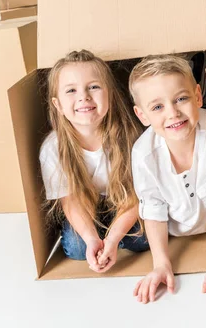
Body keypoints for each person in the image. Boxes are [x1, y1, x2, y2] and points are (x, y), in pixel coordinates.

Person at [128, 55, 206, 304]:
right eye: (157, 107)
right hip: (175, 228)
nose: (173, 113)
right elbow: (153, 207)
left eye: (181, 99)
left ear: (198, 96)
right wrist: (161, 263)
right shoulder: (143, 153)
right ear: (142, 115)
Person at [39, 49, 149, 273]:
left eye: (94, 87)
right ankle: (99, 239)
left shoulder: (129, 136)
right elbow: (70, 201)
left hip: (126, 202)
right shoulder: (53, 148)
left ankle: (112, 240)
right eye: (71, 90)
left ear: (109, 94)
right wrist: (91, 239)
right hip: (86, 207)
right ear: (57, 104)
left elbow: (139, 195)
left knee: (144, 240)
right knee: (77, 248)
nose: (84, 97)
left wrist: (114, 238)